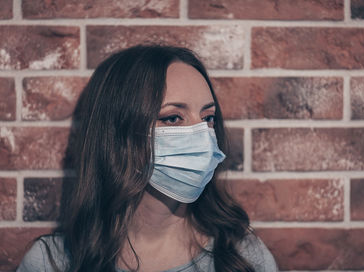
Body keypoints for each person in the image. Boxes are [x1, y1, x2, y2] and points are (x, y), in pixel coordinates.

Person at [17, 45, 278, 272]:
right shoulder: (51, 262)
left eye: (207, 118)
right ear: (119, 133)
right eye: (173, 118)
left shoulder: (243, 257)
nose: (202, 137)